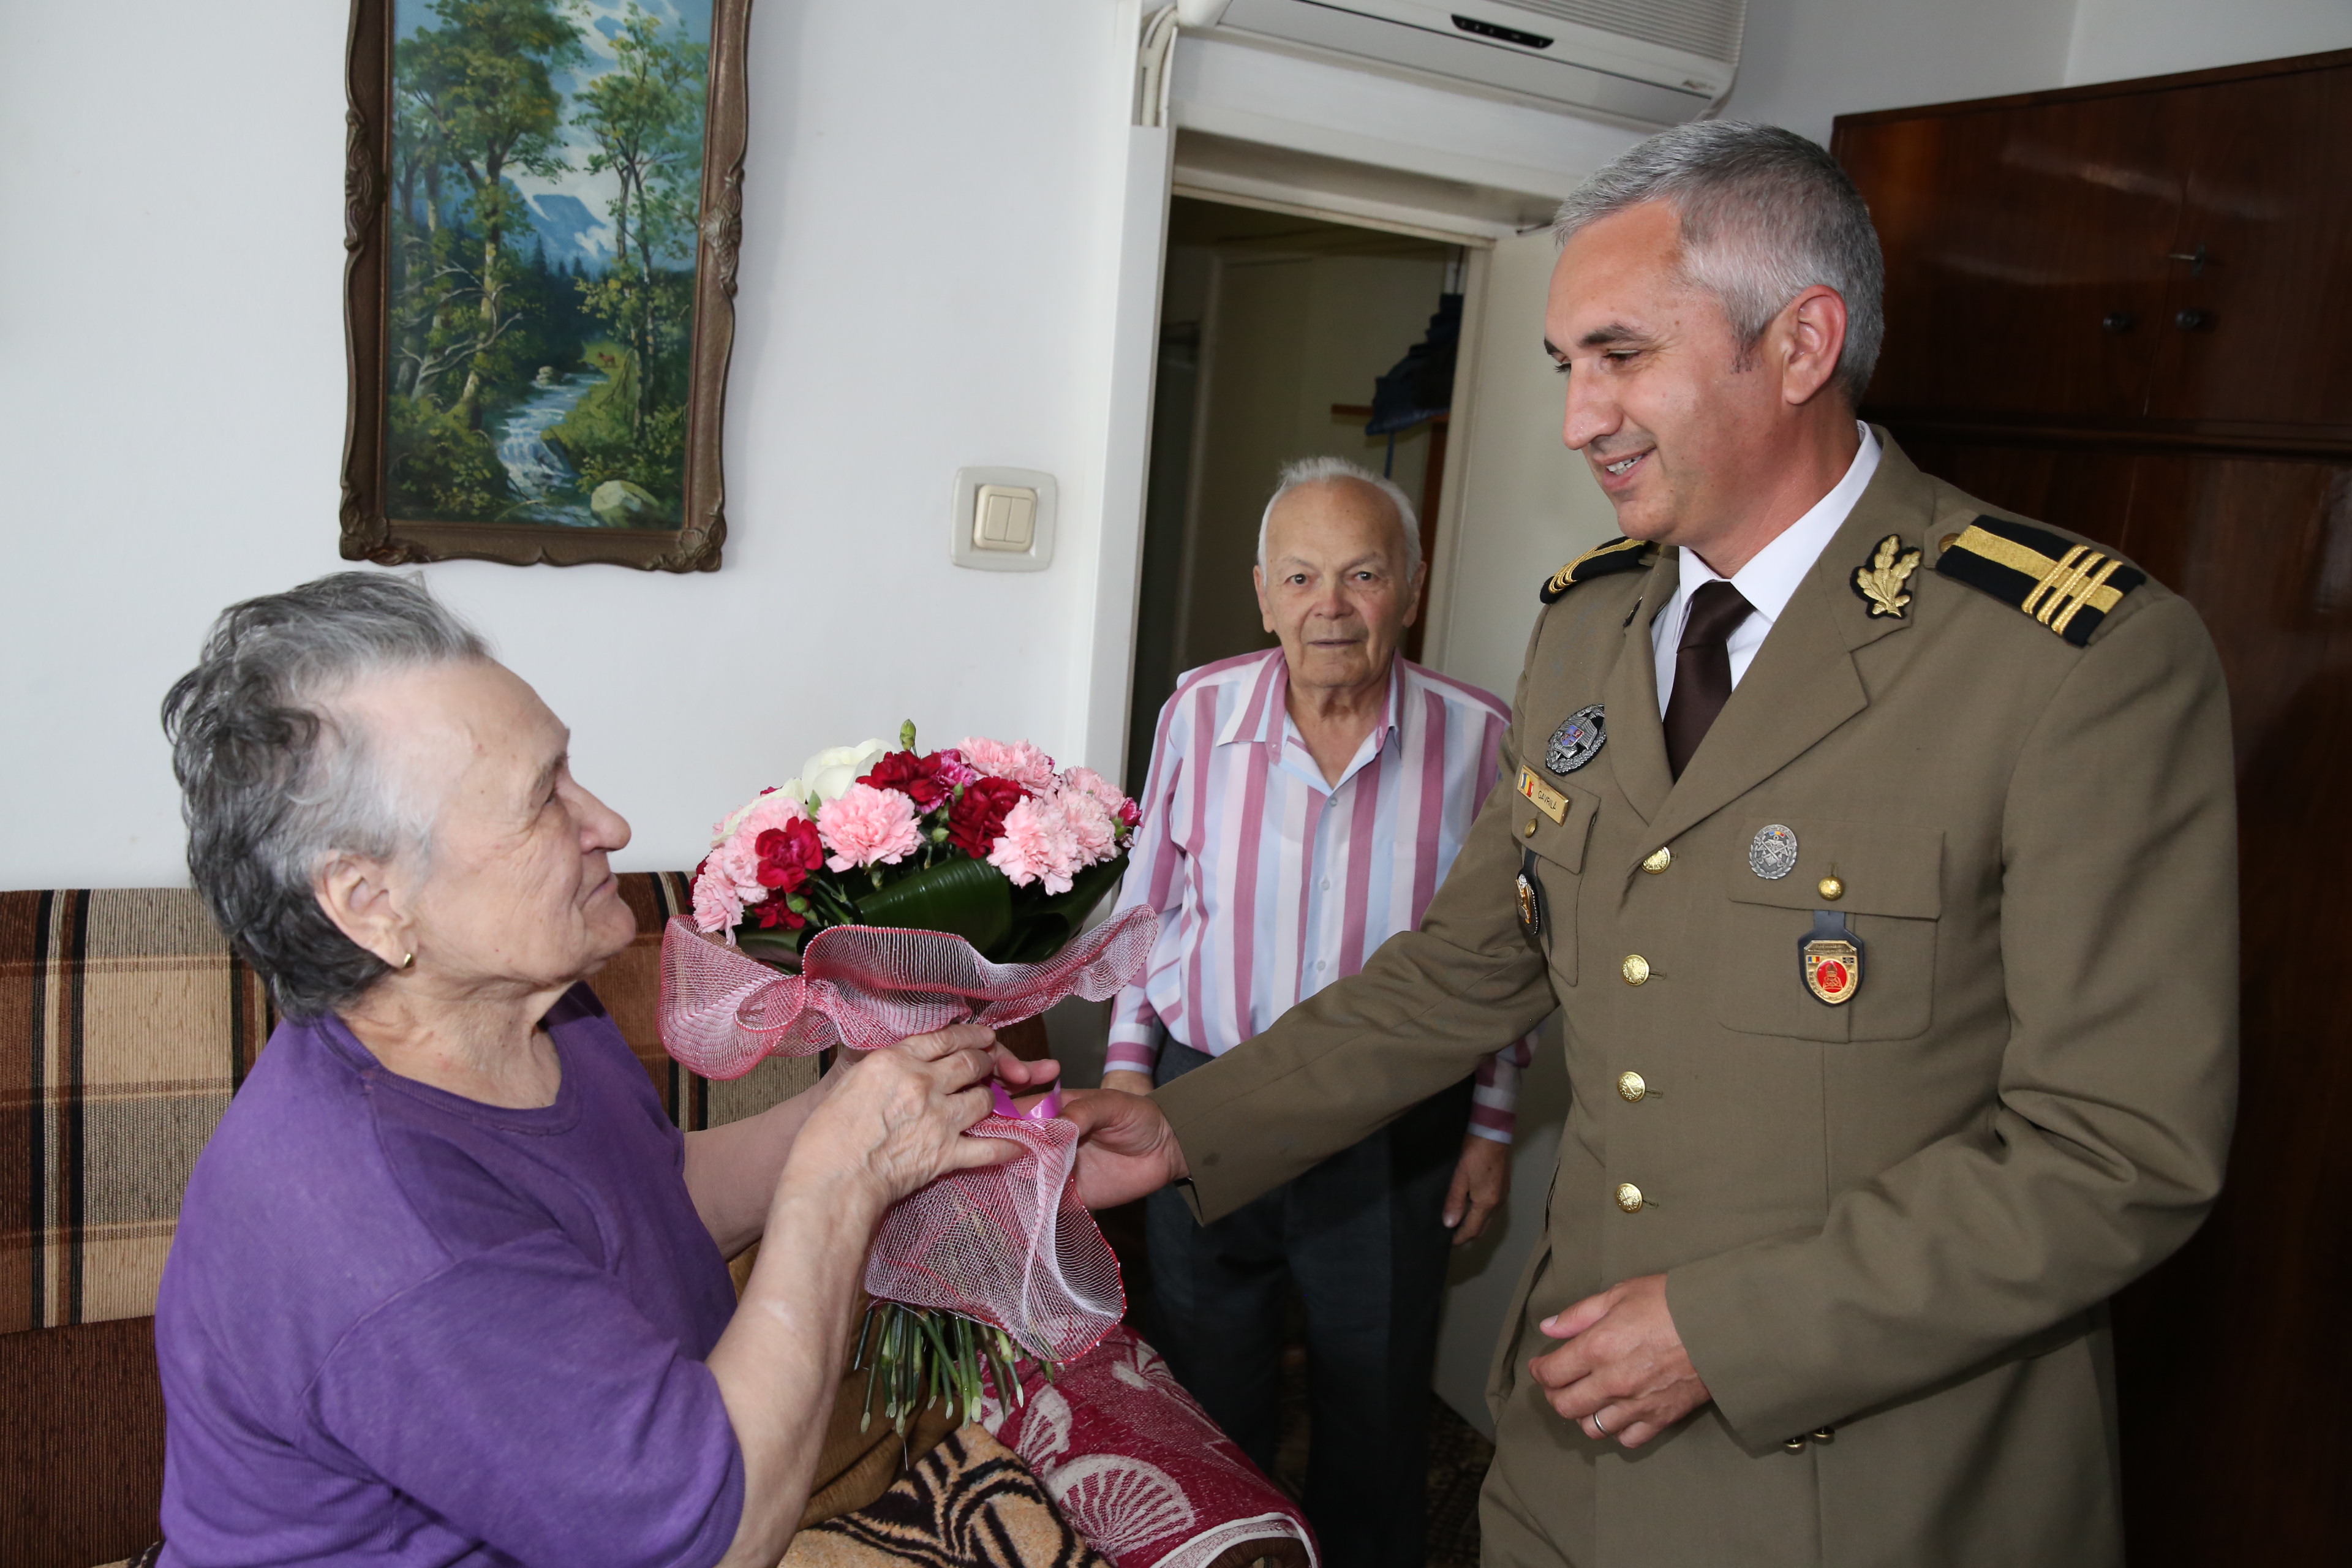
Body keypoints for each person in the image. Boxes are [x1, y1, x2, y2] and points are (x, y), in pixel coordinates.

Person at [1062, 121, 2237, 1567]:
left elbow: (2118, 1148)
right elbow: (1466, 967)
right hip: (1573, 1443)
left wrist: (1726, 1331)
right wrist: (1186, 1120)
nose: (1578, 417)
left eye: (1620, 355)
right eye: (1567, 365)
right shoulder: (1594, 624)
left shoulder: (2064, 662)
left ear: (1801, 343)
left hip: (1866, 1476)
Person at [153, 573, 1058, 1567]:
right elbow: (722, 1533)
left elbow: (647, 1198)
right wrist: (840, 1183)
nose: (612, 826)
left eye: (568, 771)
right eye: (542, 801)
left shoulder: (521, 998)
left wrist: (891, 1113)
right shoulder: (387, 1227)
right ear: (371, 903)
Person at [1101, 454, 1534, 1566]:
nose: (1328, 608)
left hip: (1389, 1129)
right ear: (1261, 592)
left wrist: (1490, 1129)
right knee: (1205, 1394)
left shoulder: (1483, 737)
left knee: (1376, 1406)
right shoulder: (1199, 710)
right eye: (1299, 578)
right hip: (1206, 1101)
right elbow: (1148, 909)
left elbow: (1505, 955)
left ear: (1413, 587)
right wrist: (1127, 1079)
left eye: (1362, 576)